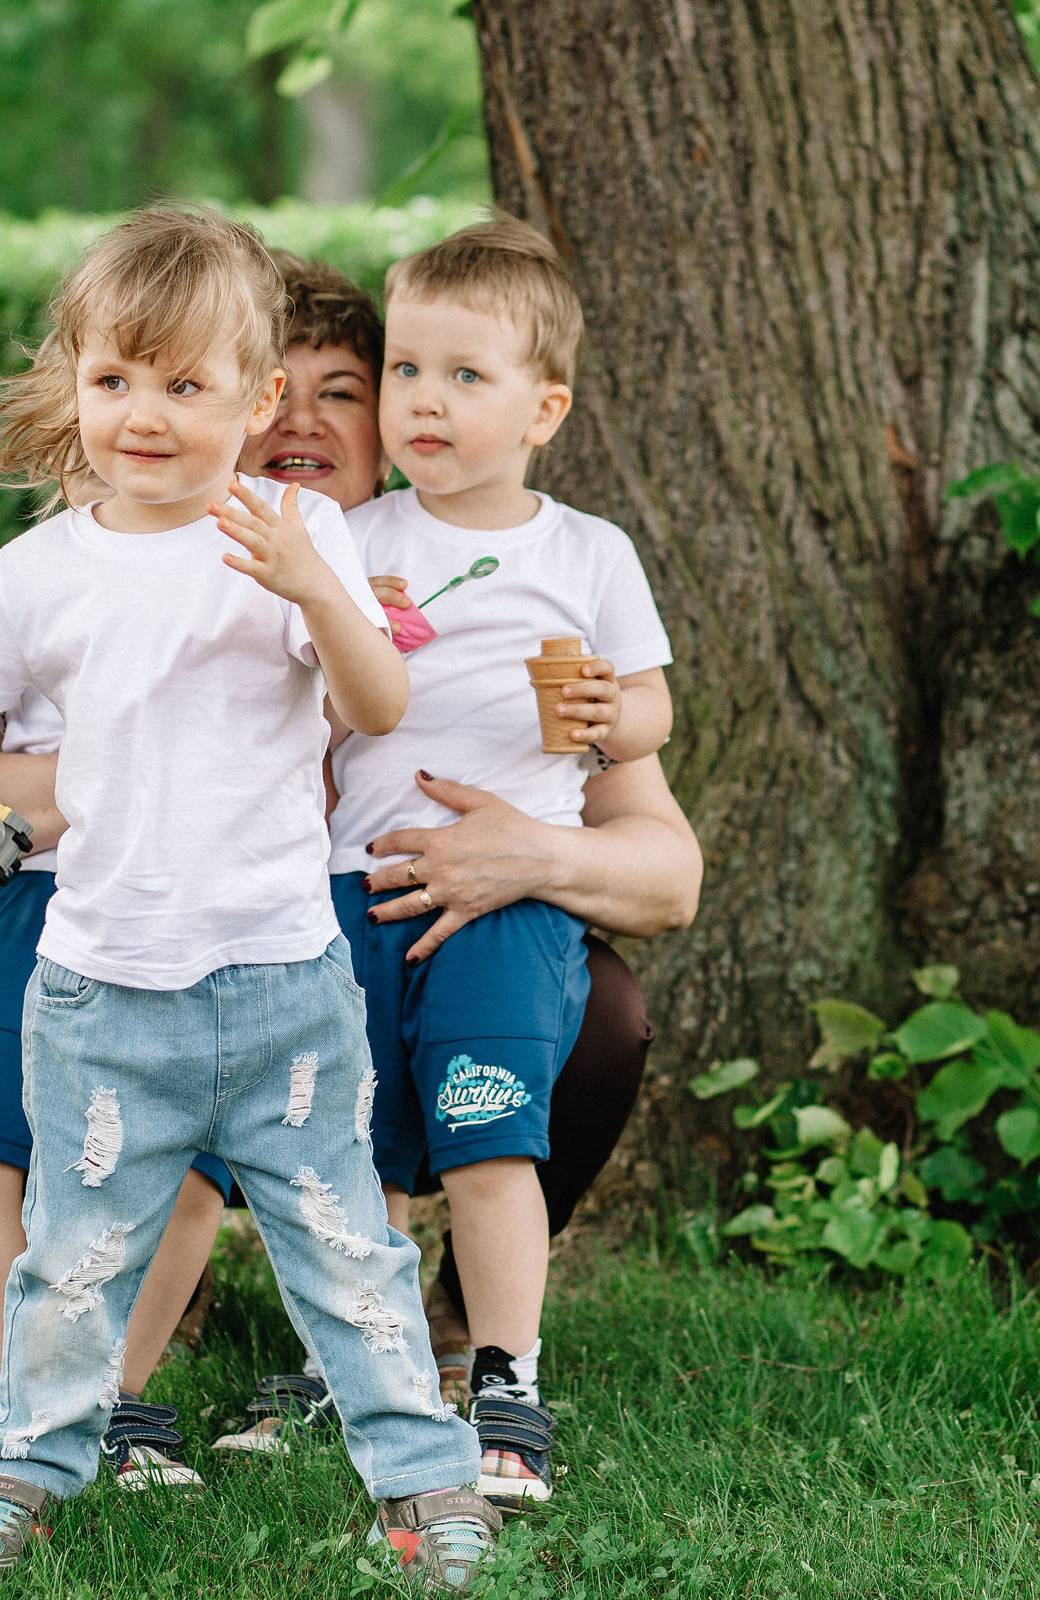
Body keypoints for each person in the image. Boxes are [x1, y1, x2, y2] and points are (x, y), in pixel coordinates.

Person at [0, 206, 502, 1592]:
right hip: (95, 993)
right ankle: (18, 1469)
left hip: (281, 987)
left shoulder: (295, 532)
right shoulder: (36, 576)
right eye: (115, 381)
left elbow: (377, 701)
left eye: (187, 386)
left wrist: (315, 588)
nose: (145, 416)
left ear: (257, 399)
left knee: (347, 1251)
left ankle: (430, 1483)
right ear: (76, 381)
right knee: (72, 1260)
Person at [0, 251, 393, 1502]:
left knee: (193, 1151)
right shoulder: (56, 563)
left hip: (227, 915)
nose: (300, 426)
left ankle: (112, 1399)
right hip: (52, 898)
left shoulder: (307, 566)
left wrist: (36, 780)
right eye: (122, 379)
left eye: (332, 397)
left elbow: (312, 745)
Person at [321, 215, 673, 1510]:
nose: (425, 400)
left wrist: (610, 723)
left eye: (467, 377)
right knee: (353, 1140)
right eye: (407, 369)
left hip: (511, 904)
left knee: (485, 1131)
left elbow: (649, 708)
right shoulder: (352, 543)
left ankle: (507, 1379)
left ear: (545, 407)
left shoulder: (586, 554)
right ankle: (362, 1357)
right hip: (353, 889)